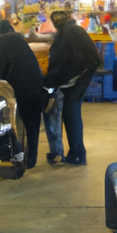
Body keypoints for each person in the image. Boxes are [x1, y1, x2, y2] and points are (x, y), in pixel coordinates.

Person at [43, 11, 101, 166]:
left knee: (71, 114)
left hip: (75, 79)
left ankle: (77, 154)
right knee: (73, 113)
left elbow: (59, 64)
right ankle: (77, 153)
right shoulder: (76, 30)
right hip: (84, 74)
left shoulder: (64, 36)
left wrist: (48, 82)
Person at [0, 20, 43, 169]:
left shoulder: (5, 40)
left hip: (21, 86)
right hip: (36, 84)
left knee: (14, 122)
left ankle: (14, 155)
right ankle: (31, 159)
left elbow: (0, 67)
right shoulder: (19, 39)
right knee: (33, 123)